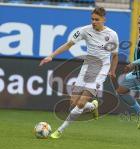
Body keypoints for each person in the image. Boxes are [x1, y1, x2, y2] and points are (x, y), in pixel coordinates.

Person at [39, 7, 119, 139]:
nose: (94, 22)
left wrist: (112, 71)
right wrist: (51, 56)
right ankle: (93, 106)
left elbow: (115, 55)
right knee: (74, 102)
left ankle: (60, 130)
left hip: (101, 70)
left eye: (97, 19)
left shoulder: (112, 35)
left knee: (81, 103)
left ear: (104, 19)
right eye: (92, 19)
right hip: (87, 68)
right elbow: (68, 44)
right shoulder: (84, 31)